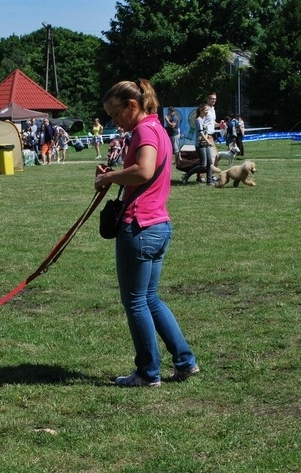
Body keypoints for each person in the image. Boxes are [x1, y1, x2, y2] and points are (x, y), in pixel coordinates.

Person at [93, 78, 199, 387]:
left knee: (136, 302)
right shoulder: (159, 130)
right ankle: (185, 361)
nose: (115, 121)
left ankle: (148, 373)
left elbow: (144, 170)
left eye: (116, 114)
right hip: (159, 226)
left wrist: (111, 177)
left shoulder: (143, 130)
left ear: (132, 106)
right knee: (149, 298)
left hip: (139, 227)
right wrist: (115, 175)